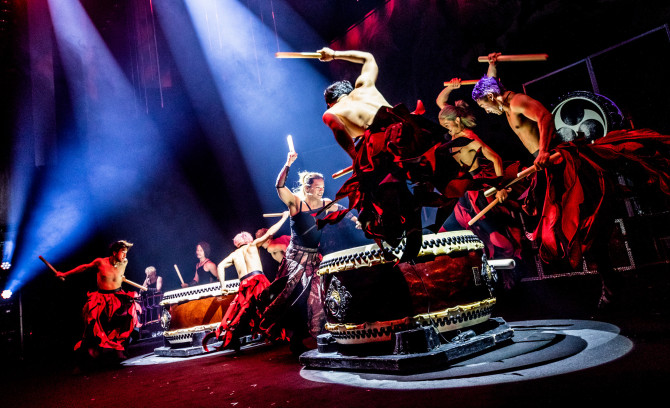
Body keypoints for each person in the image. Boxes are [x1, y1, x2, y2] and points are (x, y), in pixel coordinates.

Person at [472, 53, 670, 306]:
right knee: (561, 223)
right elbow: (491, 83)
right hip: (543, 164)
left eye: (484, 106)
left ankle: (610, 280)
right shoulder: (505, 101)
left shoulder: (517, 101)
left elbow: (545, 116)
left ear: (491, 97)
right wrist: (492, 65)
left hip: (555, 160)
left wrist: (543, 151)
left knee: (577, 224)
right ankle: (608, 279)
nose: (486, 111)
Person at [317, 47, 471, 260]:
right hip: (408, 130)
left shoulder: (331, 112)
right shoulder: (364, 86)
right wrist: (334, 54)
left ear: (330, 101)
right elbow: (368, 57)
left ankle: (401, 225)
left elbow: (340, 134)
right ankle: (427, 195)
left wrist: (357, 161)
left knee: (378, 188)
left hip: (380, 142)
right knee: (427, 169)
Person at [259, 151, 351, 355]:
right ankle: (296, 338)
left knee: (318, 297)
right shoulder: (296, 203)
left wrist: (357, 220)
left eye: (323, 187)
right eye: (317, 187)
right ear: (307, 187)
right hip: (296, 258)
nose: (321, 190)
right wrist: (288, 164)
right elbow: (279, 186)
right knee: (297, 296)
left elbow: (342, 211)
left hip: (314, 257)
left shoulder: (326, 203)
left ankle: (322, 336)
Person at [436, 78, 524, 288]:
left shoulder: (469, 137)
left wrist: (500, 186)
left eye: (447, 125)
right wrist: (451, 87)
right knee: (443, 235)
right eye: (444, 126)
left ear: (457, 121)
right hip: (464, 192)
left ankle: (508, 272)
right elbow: (440, 102)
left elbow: (496, 159)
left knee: (495, 238)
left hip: (477, 192)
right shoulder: (454, 126)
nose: (446, 129)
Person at [203, 212, 290, 352]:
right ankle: (276, 335)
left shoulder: (234, 254)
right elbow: (270, 233)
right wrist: (284, 218)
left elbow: (220, 266)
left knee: (242, 313)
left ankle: (234, 340)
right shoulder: (253, 245)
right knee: (270, 308)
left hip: (245, 284)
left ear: (236, 243)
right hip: (258, 281)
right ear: (249, 239)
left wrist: (223, 286)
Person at [55, 240, 139, 360]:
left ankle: (119, 350)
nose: (125, 255)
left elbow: (118, 275)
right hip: (102, 298)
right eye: (123, 252)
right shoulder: (100, 262)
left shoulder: (124, 262)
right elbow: (84, 267)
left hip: (117, 297)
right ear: (114, 252)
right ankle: (91, 353)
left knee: (128, 318)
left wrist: (121, 277)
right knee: (94, 324)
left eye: (126, 252)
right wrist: (65, 274)